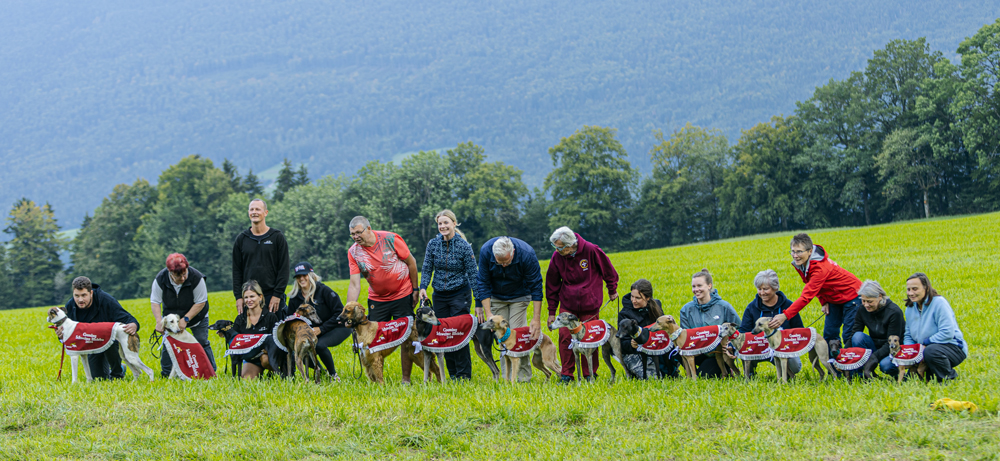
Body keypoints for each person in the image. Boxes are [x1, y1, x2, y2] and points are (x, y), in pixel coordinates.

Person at [346, 215, 420, 383]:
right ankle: (377, 380)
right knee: (373, 341)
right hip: (377, 300)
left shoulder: (390, 239)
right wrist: (349, 311)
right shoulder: (353, 252)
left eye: (359, 232)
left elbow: (412, 263)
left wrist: (415, 289)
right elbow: (354, 284)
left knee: (407, 337)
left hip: (402, 294)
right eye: (352, 234)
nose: (356, 237)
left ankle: (406, 379)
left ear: (369, 229)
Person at [545, 226, 619, 383]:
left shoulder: (591, 250)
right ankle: (567, 374)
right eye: (555, 247)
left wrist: (612, 289)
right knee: (565, 337)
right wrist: (552, 311)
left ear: (571, 245)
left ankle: (589, 373)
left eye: (560, 248)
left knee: (589, 338)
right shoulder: (557, 257)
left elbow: (608, 271)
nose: (557, 251)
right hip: (568, 304)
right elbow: (552, 285)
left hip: (589, 304)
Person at [770, 234, 862, 348]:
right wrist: (824, 301)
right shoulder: (802, 264)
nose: (795, 255)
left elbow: (806, 297)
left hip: (853, 296)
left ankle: (853, 364)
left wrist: (785, 315)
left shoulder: (820, 268)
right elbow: (814, 284)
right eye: (793, 251)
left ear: (810, 251)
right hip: (834, 298)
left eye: (799, 252)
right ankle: (835, 364)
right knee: (829, 334)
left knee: (848, 335)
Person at [418, 210, 480, 380]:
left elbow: (474, 275)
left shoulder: (464, 246)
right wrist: (423, 286)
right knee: (444, 333)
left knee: (458, 332)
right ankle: (452, 374)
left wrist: (479, 301)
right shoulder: (433, 244)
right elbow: (427, 267)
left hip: (460, 294)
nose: (443, 226)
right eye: (440, 223)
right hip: (439, 295)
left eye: (446, 223)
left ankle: (464, 374)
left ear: (454, 223)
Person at [477, 236, 544, 382]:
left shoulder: (527, 253)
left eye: (507, 262)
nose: (503, 266)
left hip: (520, 296)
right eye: (499, 262)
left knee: (518, 334)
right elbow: (482, 282)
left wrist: (536, 319)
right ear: (494, 255)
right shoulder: (485, 251)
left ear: (513, 252)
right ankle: (507, 379)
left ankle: (523, 378)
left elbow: (536, 286)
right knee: (503, 336)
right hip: (496, 296)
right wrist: (489, 314)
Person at [60, 276, 140, 380]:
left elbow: (127, 318)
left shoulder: (106, 300)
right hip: (91, 345)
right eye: (76, 296)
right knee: (98, 379)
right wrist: (61, 335)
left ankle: (117, 373)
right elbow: (65, 332)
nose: (80, 300)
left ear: (91, 293)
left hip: (111, 342)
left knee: (111, 341)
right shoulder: (71, 306)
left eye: (84, 295)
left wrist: (134, 325)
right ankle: (119, 368)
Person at [150, 253, 216, 378]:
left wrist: (185, 319)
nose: (183, 278)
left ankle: (210, 371)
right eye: (178, 276)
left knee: (201, 341)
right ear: (170, 273)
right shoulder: (160, 279)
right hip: (171, 317)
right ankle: (166, 373)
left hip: (197, 315)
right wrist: (159, 322)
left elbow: (201, 302)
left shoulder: (197, 278)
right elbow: (155, 301)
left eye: (185, 273)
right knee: (169, 343)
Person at [285, 262, 349, 381]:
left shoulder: (324, 290)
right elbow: (291, 319)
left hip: (338, 326)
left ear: (311, 275)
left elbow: (340, 313)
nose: (301, 278)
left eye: (304, 275)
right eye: (298, 277)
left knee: (320, 345)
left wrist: (322, 329)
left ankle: (333, 375)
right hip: (313, 331)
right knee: (301, 350)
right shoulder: (295, 298)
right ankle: (320, 371)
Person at [737, 269, 803, 379]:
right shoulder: (751, 307)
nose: (762, 293)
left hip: (782, 348)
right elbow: (743, 331)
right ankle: (750, 372)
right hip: (759, 347)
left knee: (795, 367)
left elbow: (799, 330)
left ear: (775, 287)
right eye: (759, 289)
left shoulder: (789, 306)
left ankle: (787, 373)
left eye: (766, 289)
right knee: (744, 349)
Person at [903, 273, 967, 382]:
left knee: (931, 351)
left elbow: (947, 332)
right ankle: (928, 373)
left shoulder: (939, 303)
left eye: (915, 289)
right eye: (908, 289)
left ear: (926, 288)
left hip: (952, 347)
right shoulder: (910, 308)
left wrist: (925, 344)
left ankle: (949, 378)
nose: (911, 293)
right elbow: (908, 334)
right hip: (924, 349)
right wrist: (911, 351)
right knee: (909, 378)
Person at [232, 198, 290, 314]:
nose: (254, 212)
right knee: (251, 332)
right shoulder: (241, 239)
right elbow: (237, 271)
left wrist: (277, 295)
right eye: (251, 209)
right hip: (250, 298)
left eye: (258, 209)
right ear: (248, 213)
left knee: (276, 332)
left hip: (272, 296)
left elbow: (284, 269)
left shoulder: (277, 237)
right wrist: (239, 297)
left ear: (265, 213)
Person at [679, 268, 740, 378]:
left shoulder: (724, 306)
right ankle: (691, 373)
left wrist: (731, 346)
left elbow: (739, 328)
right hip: (696, 352)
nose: (696, 289)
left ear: (709, 286)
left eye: (699, 286)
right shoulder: (686, 309)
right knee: (676, 353)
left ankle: (725, 369)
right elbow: (685, 335)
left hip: (716, 354)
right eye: (694, 286)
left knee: (703, 376)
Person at [617, 279, 678, 378]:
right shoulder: (624, 314)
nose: (633, 300)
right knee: (652, 378)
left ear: (648, 298)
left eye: (638, 298)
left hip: (656, 346)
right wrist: (631, 344)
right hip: (635, 352)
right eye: (632, 296)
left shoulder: (656, 305)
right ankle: (634, 372)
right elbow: (621, 343)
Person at [850, 280, 905, 377]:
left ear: (880, 296)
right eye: (863, 301)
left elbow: (892, 343)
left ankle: (899, 375)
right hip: (875, 345)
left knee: (885, 365)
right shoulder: (862, 309)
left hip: (893, 349)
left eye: (870, 301)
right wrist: (844, 355)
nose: (866, 305)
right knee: (857, 336)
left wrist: (874, 357)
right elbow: (855, 332)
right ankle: (861, 374)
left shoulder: (894, 312)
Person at [232, 280, 279, 379]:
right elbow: (234, 340)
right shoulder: (241, 319)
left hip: (267, 356)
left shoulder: (271, 317)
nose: (249, 300)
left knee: (265, 359)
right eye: (246, 297)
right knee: (247, 381)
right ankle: (258, 373)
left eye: (252, 296)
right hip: (250, 358)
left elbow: (276, 341)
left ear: (260, 297)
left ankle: (273, 374)